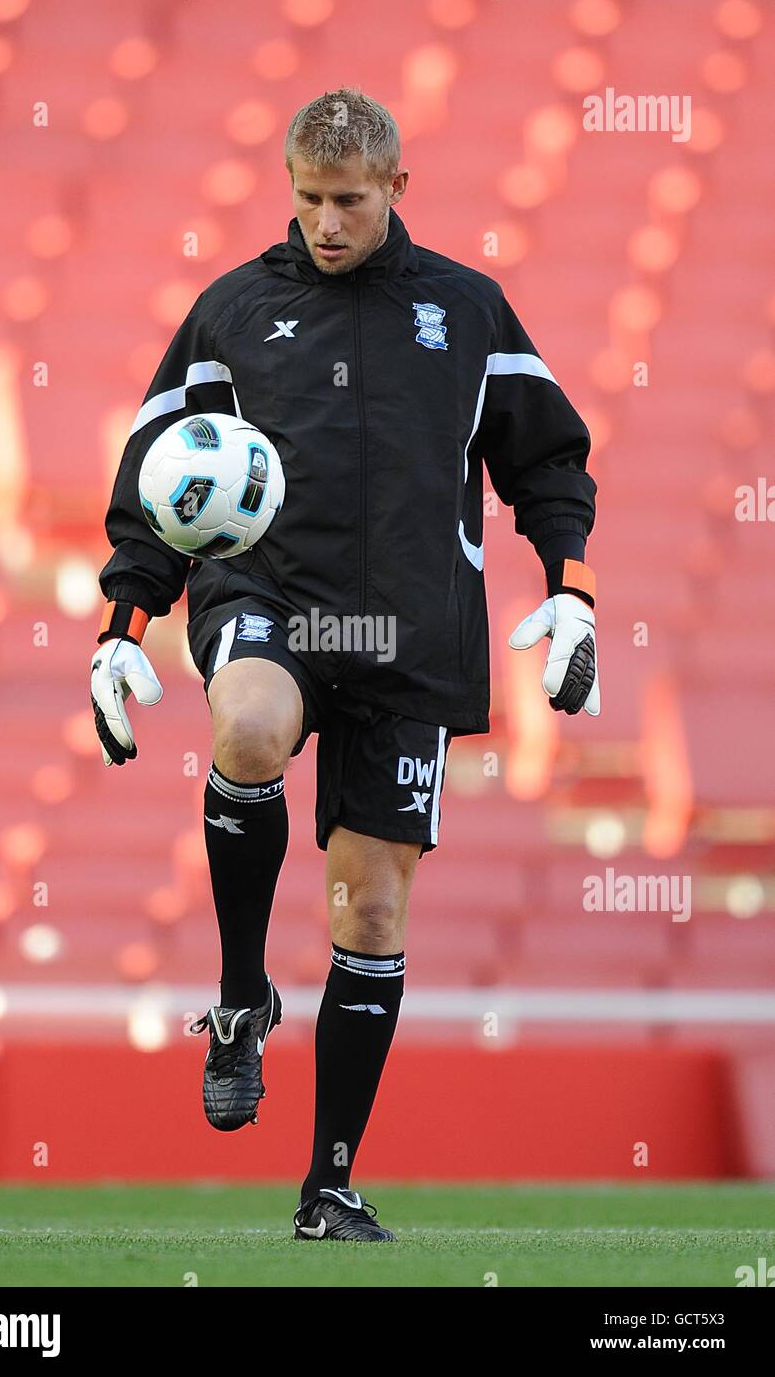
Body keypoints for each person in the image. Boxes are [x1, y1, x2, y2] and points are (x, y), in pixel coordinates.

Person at [92, 89, 599, 1242]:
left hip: (407, 631)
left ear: (396, 190)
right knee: (247, 731)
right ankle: (236, 1000)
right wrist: (125, 624)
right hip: (267, 596)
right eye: (309, 200)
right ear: (288, 188)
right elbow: (157, 470)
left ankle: (327, 1185)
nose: (326, 222)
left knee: (369, 912)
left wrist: (570, 594)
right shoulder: (230, 310)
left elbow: (548, 457)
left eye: (348, 201)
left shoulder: (465, 310)